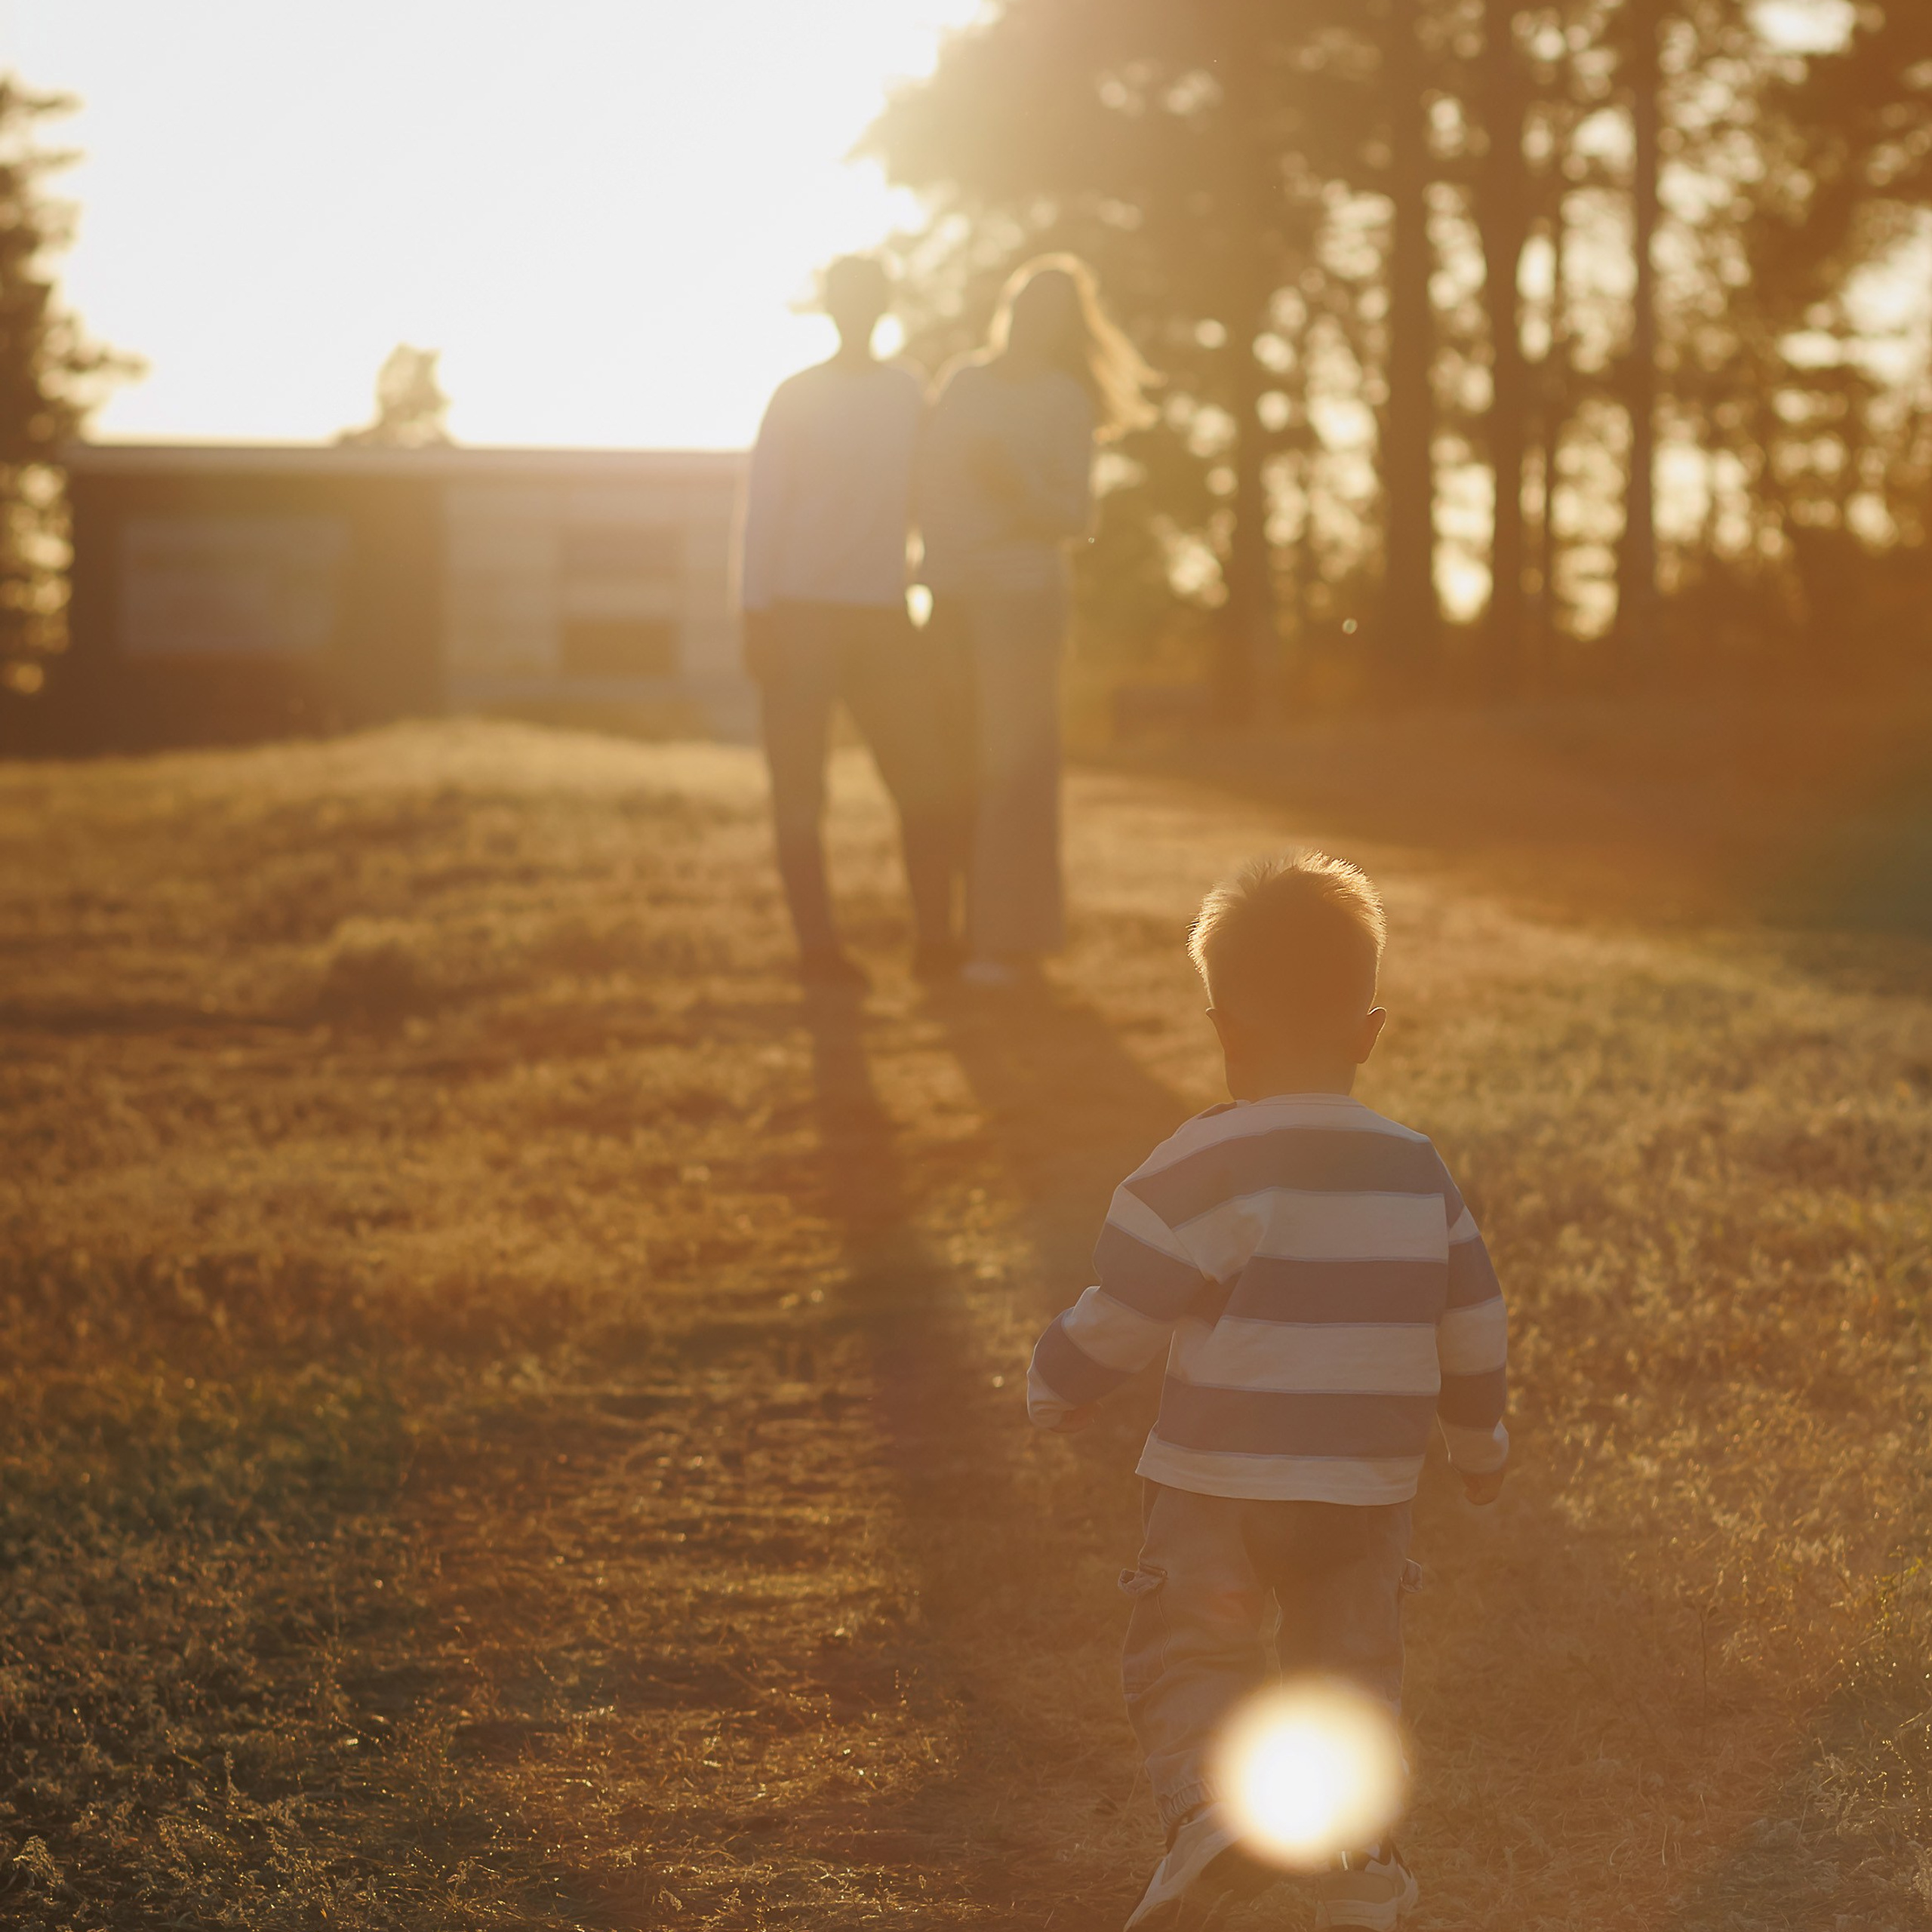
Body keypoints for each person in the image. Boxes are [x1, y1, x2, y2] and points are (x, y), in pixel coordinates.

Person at [1025, 852, 1511, 1932]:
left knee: (1193, 1648)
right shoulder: (1415, 1168)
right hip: (1367, 1491)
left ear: (1222, 1027)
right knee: (1348, 1667)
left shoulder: (1197, 1162)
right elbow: (1474, 1322)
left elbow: (1125, 1304)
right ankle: (1345, 1856)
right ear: (1368, 1031)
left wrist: (1057, 1385)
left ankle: (1214, 1816)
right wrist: (1480, 1450)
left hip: (1215, 1482)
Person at [917, 255, 1155, 988]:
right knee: (949, 770)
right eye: (1025, 303)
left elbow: (1073, 516)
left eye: (1049, 313)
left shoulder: (1062, 401)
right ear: (1009, 305)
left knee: (1011, 776)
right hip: (952, 598)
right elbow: (925, 484)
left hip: (1022, 603)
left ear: (1061, 328)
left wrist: (1011, 487)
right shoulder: (962, 381)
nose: (1030, 320)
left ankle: (1005, 942)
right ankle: (947, 936)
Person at [740, 254, 956, 986]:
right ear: (830, 308)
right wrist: (754, 614)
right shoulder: (795, 395)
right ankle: (818, 951)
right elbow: (763, 507)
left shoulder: (908, 392)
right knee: (800, 791)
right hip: (797, 614)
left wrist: (932, 587)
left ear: (883, 306)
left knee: (922, 781)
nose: (855, 309)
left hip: (885, 616)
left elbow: (930, 494)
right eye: (844, 298)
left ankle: (936, 941)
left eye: (868, 298)